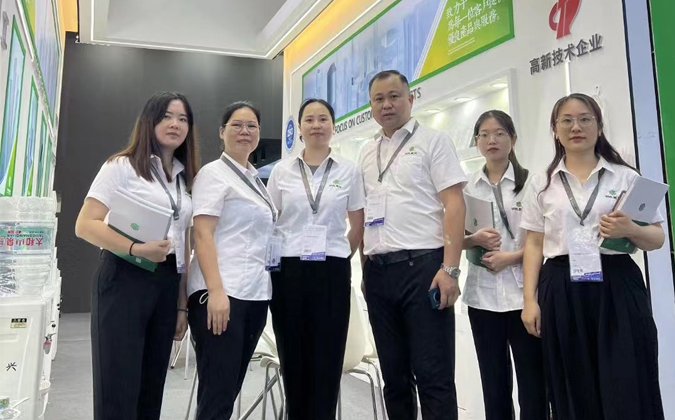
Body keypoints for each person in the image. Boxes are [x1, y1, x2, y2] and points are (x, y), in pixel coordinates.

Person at [520, 93, 666, 420]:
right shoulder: (542, 183)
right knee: (573, 381)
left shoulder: (626, 177)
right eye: (567, 120)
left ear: (599, 127)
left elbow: (656, 238)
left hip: (617, 283)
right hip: (561, 284)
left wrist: (630, 228)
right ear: (555, 129)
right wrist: (529, 300)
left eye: (585, 119)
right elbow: (534, 244)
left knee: (627, 376)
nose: (576, 127)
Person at [75, 91, 198, 420]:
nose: (175, 124)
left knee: (151, 387)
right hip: (124, 275)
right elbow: (85, 225)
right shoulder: (122, 166)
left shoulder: (185, 178)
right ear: (149, 121)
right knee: (117, 384)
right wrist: (135, 248)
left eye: (183, 119)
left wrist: (182, 304)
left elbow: (185, 243)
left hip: (167, 282)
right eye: (166, 116)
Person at [359, 70, 467, 420]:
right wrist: (364, 269)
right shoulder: (367, 151)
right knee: (394, 378)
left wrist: (450, 269)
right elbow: (364, 215)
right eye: (379, 99)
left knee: (433, 375)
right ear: (371, 106)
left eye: (394, 96)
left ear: (410, 99)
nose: (387, 104)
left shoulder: (434, 141)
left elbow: (454, 204)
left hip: (424, 270)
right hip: (378, 273)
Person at [266, 98, 365, 420]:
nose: (316, 125)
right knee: (292, 353)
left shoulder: (349, 170)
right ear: (300, 127)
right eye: (309, 119)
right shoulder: (281, 171)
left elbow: (358, 224)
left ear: (333, 126)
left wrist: (339, 256)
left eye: (323, 119)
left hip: (332, 270)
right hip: (288, 269)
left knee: (328, 355)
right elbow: (270, 221)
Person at [187, 101, 275, 420]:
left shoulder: (254, 179)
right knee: (218, 394)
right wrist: (217, 291)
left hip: (253, 295)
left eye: (251, 126)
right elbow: (202, 234)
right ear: (222, 132)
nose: (244, 131)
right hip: (221, 295)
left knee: (229, 389)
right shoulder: (213, 174)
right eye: (237, 125)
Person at [462, 110, 547, 420]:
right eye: (484, 135)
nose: (491, 140)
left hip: (525, 296)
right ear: (476, 141)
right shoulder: (468, 187)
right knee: (493, 382)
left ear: (513, 139)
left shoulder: (533, 183)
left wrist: (511, 257)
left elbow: (547, 239)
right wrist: (473, 240)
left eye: (499, 133)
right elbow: (453, 238)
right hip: (482, 297)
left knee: (533, 382)